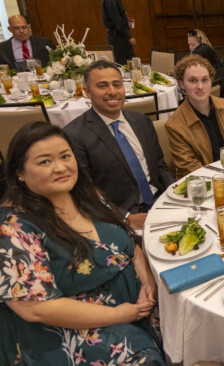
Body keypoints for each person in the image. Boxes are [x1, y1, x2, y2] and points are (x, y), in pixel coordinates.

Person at [0, 122, 165, 365]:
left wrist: (148, 283)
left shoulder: (89, 195)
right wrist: (118, 314)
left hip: (138, 306)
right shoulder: (14, 227)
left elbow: (130, 243)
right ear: (19, 173)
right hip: (72, 329)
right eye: (45, 162)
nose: (60, 167)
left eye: (65, 156)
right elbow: (34, 308)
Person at [64, 60, 175, 230]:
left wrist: (176, 193)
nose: (112, 92)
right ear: (87, 92)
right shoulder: (75, 135)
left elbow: (160, 166)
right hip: (117, 218)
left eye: (117, 85)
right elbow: (85, 191)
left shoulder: (142, 122)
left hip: (161, 203)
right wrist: (125, 218)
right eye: (102, 86)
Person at [166, 55, 224, 178]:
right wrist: (222, 179)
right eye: (193, 80)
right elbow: (189, 168)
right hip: (203, 185)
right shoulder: (175, 125)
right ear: (182, 84)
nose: (200, 86)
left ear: (211, 82)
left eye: (205, 80)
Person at [187, 29, 224, 99]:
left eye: (193, 44)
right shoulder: (213, 65)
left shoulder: (217, 78)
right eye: (189, 44)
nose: (190, 47)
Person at [102, 0, 136, 65]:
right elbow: (116, 21)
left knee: (131, 63)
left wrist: (126, 21)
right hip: (118, 37)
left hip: (120, 35)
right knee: (123, 64)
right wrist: (128, 36)